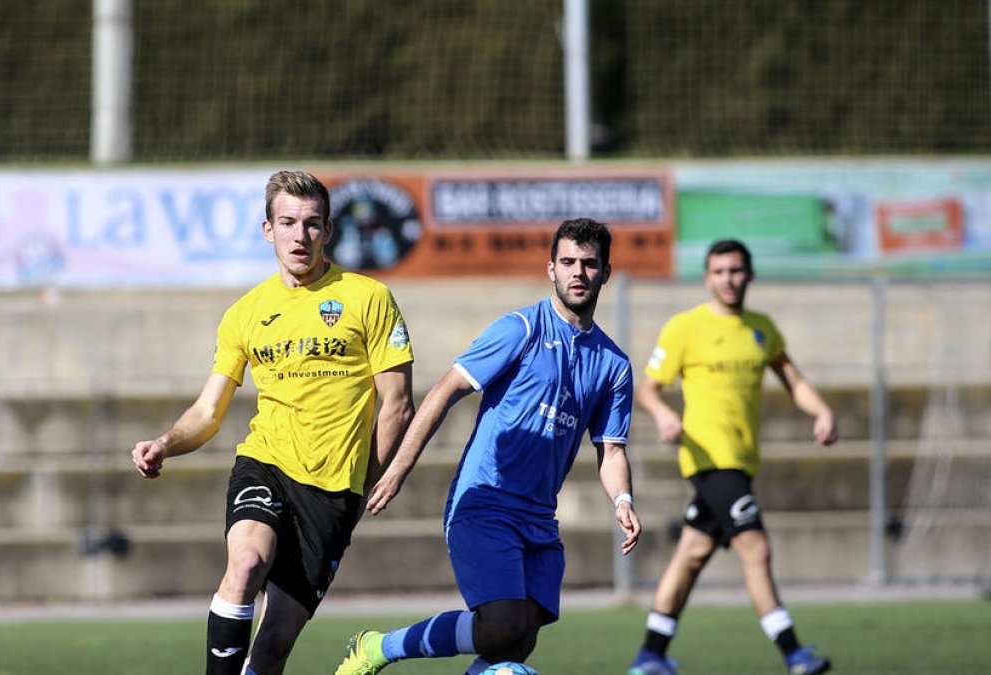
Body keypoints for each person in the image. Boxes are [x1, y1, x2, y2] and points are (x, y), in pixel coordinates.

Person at [131, 170, 415, 675]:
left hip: (333, 492)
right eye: (288, 223)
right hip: (266, 463)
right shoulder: (245, 312)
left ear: (328, 231)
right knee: (245, 563)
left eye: (311, 224)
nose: (299, 236)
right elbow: (207, 412)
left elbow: (396, 405)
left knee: (272, 647)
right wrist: (165, 443)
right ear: (268, 230)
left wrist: (363, 486)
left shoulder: (369, 298)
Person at [333, 218, 642, 675]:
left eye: (589, 264)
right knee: (499, 625)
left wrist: (623, 499)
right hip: (484, 503)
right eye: (568, 262)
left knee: (515, 643)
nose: (578, 272)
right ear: (551, 270)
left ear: (606, 273)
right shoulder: (519, 329)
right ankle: (378, 648)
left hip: (539, 517)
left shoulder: (614, 364)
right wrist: (397, 468)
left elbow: (611, 450)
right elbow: (444, 391)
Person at [626, 239, 838, 675]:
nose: (728, 279)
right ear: (707, 277)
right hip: (709, 460)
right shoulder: (685, 327)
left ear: (749, 275)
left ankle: (650, 655)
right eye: (719, 271)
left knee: (693, 552)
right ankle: (794, 653)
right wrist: (664, 413)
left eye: (736, 271)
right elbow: (646, 387)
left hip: (742, 461)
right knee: (755, 547)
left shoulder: (762, 329)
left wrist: (821, 411)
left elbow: (793, 380)